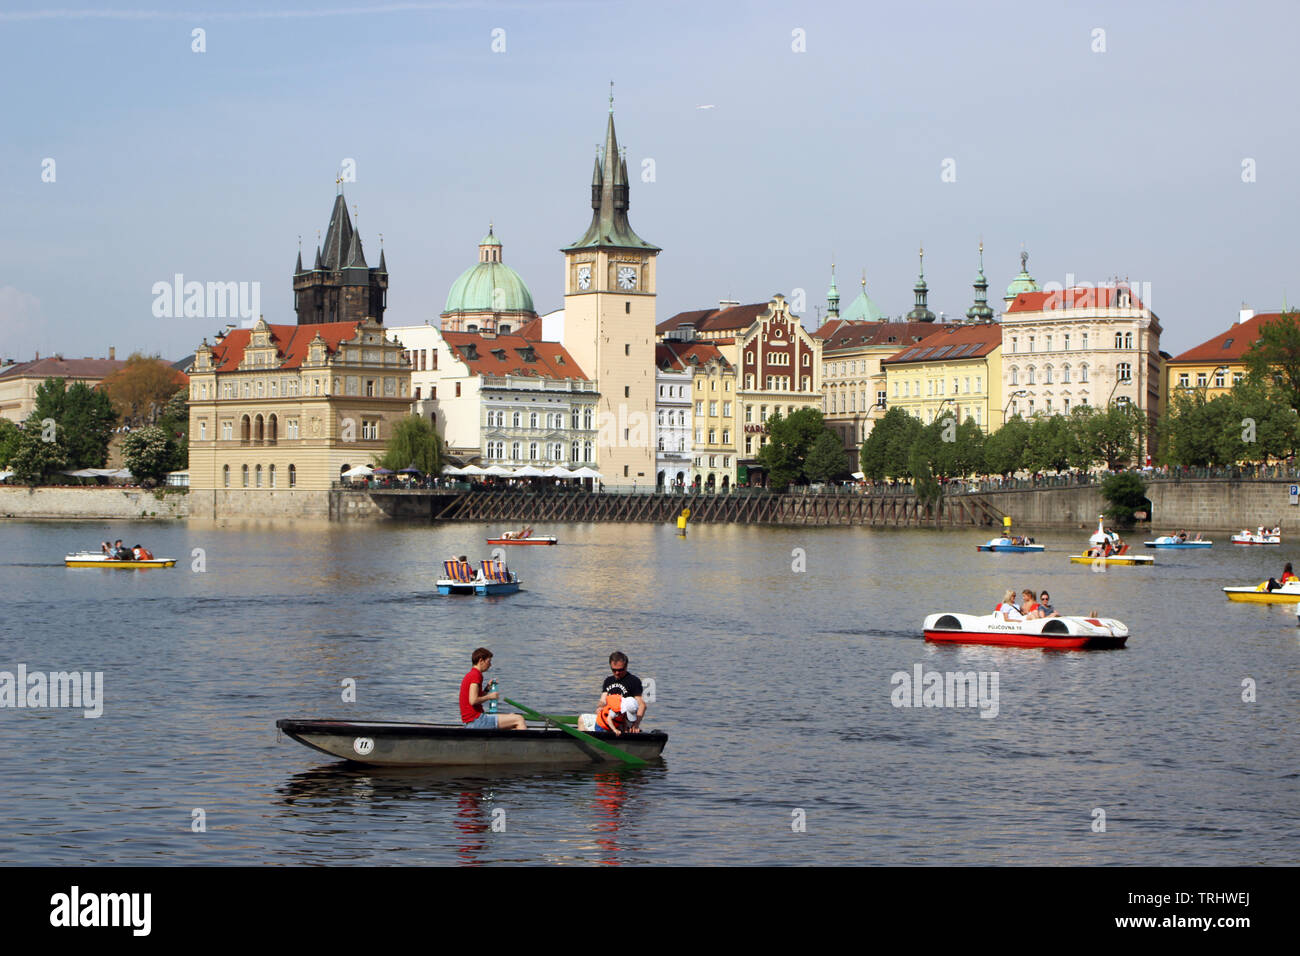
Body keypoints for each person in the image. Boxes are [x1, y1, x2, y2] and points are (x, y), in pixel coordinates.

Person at [458, 648, 527, 730]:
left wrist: (487, 689)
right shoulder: (476, 675)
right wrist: (490, 696)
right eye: (489, 661)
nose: (490, 665)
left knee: (512, 719)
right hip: (477, 720)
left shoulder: (471, 674)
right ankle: (529, 742)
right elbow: (473, 700)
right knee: (519, 719)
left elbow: (476, 697)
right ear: (481, 661)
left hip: (471, 722)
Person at [598, 651, 646, 733]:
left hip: (623, 720)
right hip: (608, 716)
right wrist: (600, 707)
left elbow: (642, 705)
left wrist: (636, 724)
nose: (617, 673)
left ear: (626, 666)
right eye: (614, 670)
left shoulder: (633, 681)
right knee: (582, 720)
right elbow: (603, 700)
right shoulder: (608, 680)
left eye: (620, 670)